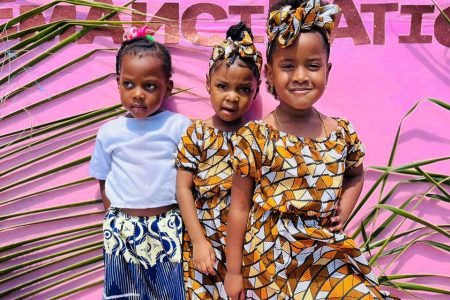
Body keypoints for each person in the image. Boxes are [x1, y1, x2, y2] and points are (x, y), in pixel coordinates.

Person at [224, 1, 397, 299]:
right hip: (270, 262)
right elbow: (239, 207)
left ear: (327, 70)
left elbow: (355, 174)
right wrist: (233, 271)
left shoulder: (340, 133)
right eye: (288, 65)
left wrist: (343, 208)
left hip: (324, 253)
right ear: (269, 72)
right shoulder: (256, 137)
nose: (301, 76)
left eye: (312, 65)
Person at [89, 26, 191, 300]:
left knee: (172, 292)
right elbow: (103, 177)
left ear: (167, 87)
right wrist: (113, 218)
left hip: (169, 225)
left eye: (149, 86)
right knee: (125, 293)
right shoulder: (109, 132)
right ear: (118, 82)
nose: (138, 94)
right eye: (129, 84)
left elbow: (191, 177)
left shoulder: (178, 126)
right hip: (122, 229)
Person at [175, 22, 262, 299]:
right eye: (223, 86)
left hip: (247, 244)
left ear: (256, 91)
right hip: (204, 244)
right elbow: (183, 189)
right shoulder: (197, 133)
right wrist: (199, 241)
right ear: (208, 84)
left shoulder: (256, 137)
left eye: (244, 89)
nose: (232, 97)